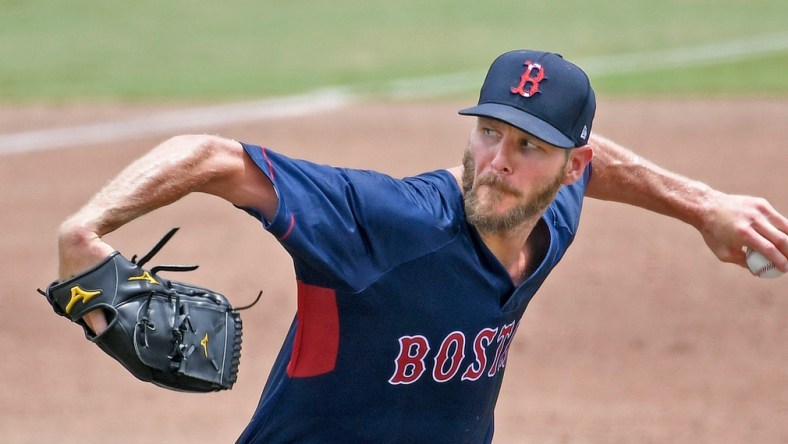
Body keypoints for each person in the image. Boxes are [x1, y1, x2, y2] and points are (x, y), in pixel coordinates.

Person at [55, 50, 788, 443]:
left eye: (528, 146)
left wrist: (703, 206)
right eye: (489, 132)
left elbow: (599, 160)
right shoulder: (389, 223)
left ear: (570, 170)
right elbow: (212, 157)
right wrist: (84, 233)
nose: (498, 161)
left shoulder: (551, 221)